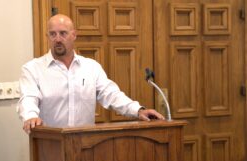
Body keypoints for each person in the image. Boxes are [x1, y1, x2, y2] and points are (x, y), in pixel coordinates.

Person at [17, 14, 165, 133]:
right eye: (52, 34)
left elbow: (111, 95)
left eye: (63, 33)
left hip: (86, 145)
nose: (57, 39)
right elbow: (28, 98)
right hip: (50, 145)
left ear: (74, 35)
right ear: (48, 36)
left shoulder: (91, 67)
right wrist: (30, 117)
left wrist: (138, 111)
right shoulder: (32, 69)